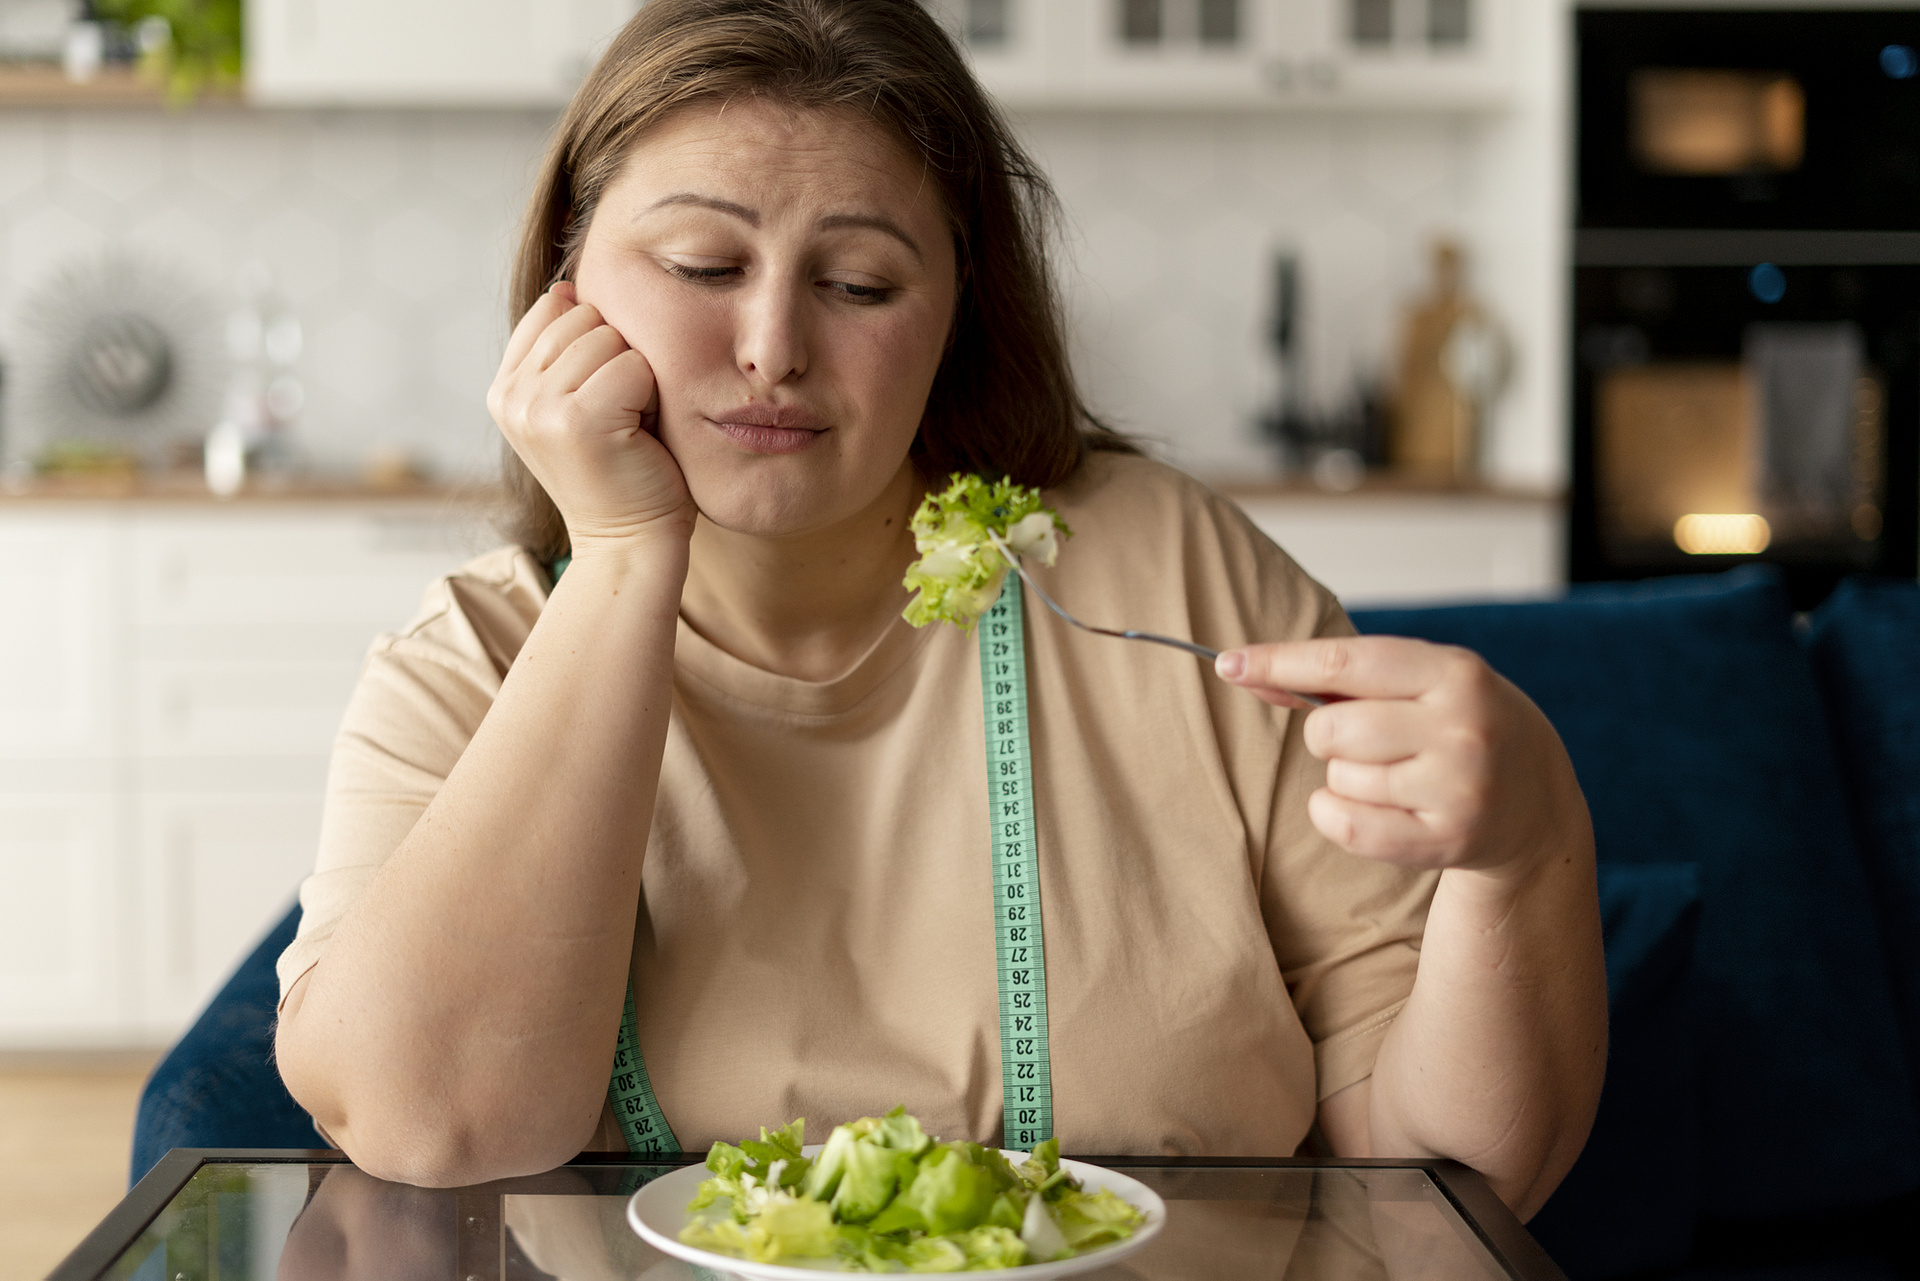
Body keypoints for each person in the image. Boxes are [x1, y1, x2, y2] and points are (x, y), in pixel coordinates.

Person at [273, 0, 1606, 1220]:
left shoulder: (1169, 568)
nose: (774, 347)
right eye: (700, 263)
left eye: (859, 284)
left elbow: (1447, 1165)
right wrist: (624, 555)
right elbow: (432, 1124)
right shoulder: (470, 664)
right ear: (566, 287)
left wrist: (1527, 849)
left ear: (957, 311)